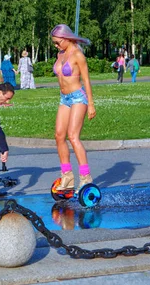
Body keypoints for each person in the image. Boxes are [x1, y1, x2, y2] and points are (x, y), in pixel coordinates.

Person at [50, 24, 96, 192]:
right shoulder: (60, 54)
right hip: (64, 98)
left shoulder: (78, 55)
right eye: (54, 43)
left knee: (73, 136)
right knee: (59, 136)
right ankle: (67, 176)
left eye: (57, 42)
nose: (56, 45)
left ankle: (85, 177)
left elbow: (86, 80)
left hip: (78, 97)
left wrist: (91, 104)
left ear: (66, 38)